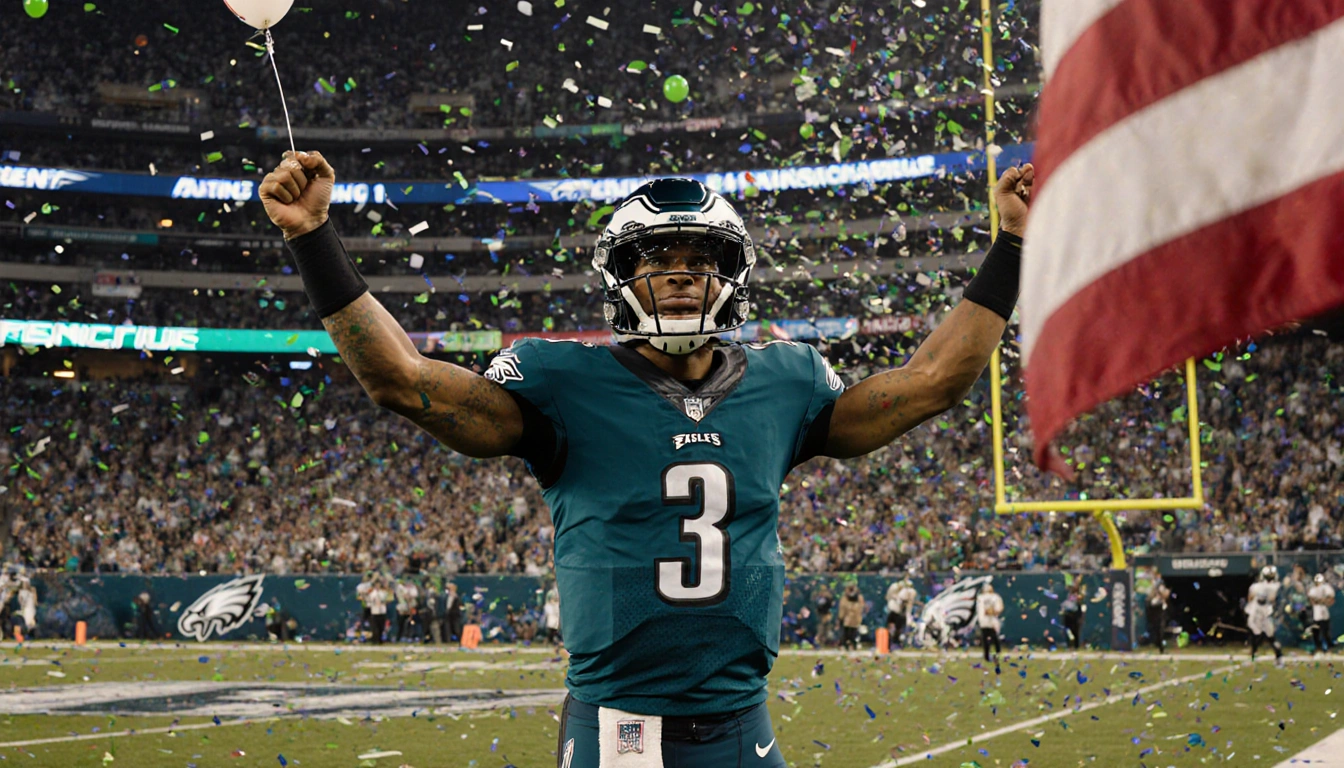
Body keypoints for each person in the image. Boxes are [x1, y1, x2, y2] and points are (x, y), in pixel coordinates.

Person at [262, 150, 1030, 768]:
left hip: (743, 724)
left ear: (733, 275)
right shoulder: (562, 381)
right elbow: (402, 381)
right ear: (619, 276)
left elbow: (934, 383)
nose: (680, 272)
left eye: (702, 258)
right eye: (656, 257)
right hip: (621, 732)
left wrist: (1013, 244)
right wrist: (312, 236)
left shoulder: (784, 381)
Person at [1247, 565, 1283, 662]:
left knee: (1257, 632)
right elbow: (1272, 599)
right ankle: (1278, 654)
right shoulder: (1275, 586)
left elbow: (1250, 598)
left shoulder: (1255, 586)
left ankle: (1254, 652)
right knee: (1270, 636)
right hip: (1266, 612)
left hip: (1257, 611)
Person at [975, 581, 1004, 662]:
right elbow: (999, 608)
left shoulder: (980, 598)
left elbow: (979, 610)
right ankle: (997, 653)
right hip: (992, 620)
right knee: (994, 638)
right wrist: (994, 611)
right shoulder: (995, 597)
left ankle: (987, 656)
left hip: (983, 620)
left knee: (985, 639)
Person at [886, 578, 917, 649]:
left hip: (900, 613)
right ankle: (892, 642)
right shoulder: (898, 591)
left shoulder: (907, 592)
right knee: (894, 628)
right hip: (896, 612)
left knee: (898, 629)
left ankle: (896, 642)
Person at [1308, 573, 1334, 656]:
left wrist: (1323, 601)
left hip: (1324, 610)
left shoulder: (1326, 587)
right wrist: (1322, 600)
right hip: (1317, 611)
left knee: (1325, 631)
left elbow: (1330, 598)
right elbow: (1312, 600)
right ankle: (1318, 647)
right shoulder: (1313, 589)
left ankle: (1329, 647)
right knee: (1316, 631)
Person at [838, 583, 865, 650]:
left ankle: (851, 644)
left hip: (854, 620)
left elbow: (860, 608)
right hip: (848, 620)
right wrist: (841, 617)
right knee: (846, 633)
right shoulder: (845, 598)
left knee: (852, 633)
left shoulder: (859, 598)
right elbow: (842, 609)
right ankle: (845, 644)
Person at [1147, 579, 1171, 654]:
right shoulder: (1154, 598)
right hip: (1156, 617)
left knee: (1160, 632)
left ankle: (1161, 648)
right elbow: (1152, 604)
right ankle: (1159, 646)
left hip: (1161, 616)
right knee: (1158, 632)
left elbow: (1166, 595)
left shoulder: (1161, 598)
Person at [1061, 584, 1084, 650]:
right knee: (1067, 630)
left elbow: (1079, 604)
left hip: (1074, 614)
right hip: (1067, 614)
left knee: (1075, 631)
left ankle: (1076, 646)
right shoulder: (1066, 596)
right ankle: (1069, 645)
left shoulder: (1077, 597)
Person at [367, 579, 390, 645]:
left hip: (382, 611)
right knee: (375, 627)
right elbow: (370, 601)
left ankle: (380, 639)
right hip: (375, 611)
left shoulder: (383, 593)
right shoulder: (372, 593)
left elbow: (387, 599)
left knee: (381, 627)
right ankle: (375, 639)